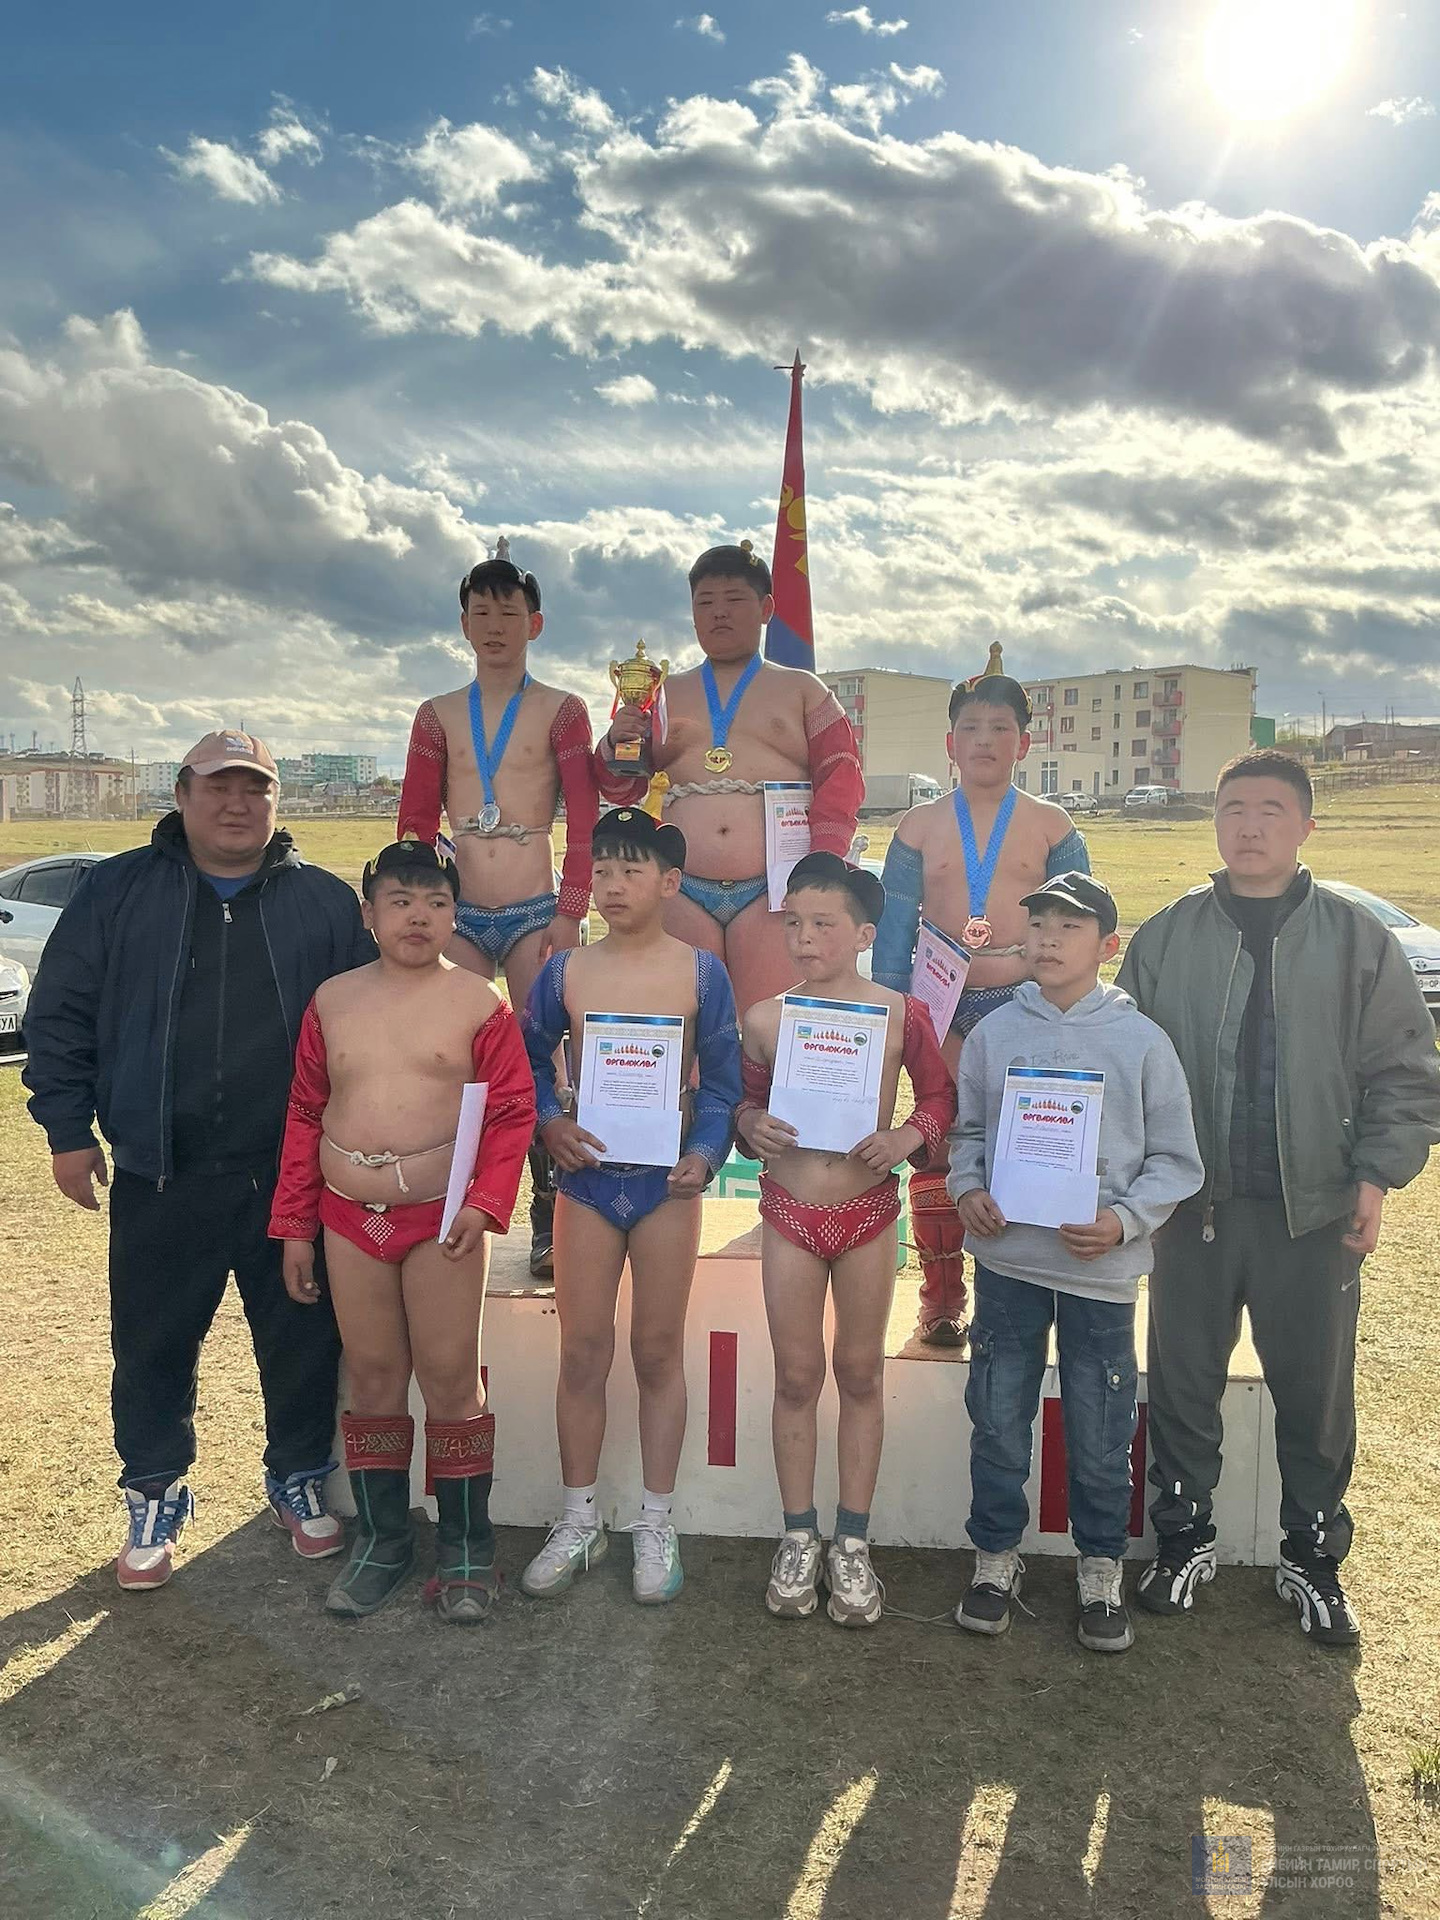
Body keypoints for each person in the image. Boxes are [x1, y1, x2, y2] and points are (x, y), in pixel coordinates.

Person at [22, 731, 376, 1591]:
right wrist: (68, 1130)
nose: (236, 804)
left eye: (255, 788)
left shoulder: (325, 903)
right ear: (182, 796)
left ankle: (298, 1476)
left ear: (277, 802)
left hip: (286, 1178)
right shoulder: (117, 891)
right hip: (161, 1171)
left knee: (300, 1341)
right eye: (219, 787)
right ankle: (152, 1492)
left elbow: (373, 1027)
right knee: (152, 1344)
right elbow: (61, 1011)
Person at [1116, 750, 1440, 1646]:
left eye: (1269, 809)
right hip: (1194, 1210)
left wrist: (1374, 1176)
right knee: (1182, 1381)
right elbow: (1123, 1066)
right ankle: (1183, 1538)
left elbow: (1405, 1071)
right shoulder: (1168, 936)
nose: (1249, 826)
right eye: (1233, 809)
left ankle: (1313, 1555)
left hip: (1316, 1212)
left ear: (1305, 826)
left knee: (1315, 1391)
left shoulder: (1355, 939)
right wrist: (1136, 1188)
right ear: (1214, 821)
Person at [269, 839, 536, 1622]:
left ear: (456, 916)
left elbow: (512, 1111)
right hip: (348, 1217)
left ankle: (466, 1548)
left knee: (451, 1378)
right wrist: (294, 1226)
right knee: (375, 1375)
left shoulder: (480, 1003)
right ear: (369, 914)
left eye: (436, 902)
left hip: (444, 1219)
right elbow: (305, 1112)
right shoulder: (331, 1001)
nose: (419, 916)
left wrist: (485, 1204)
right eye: (400, 901)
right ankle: (383, 1541)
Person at [946, 874, 1204, 1652]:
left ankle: (1100, 1567)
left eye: (1070, 926)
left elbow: (1176, 1160)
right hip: (1009, 1267)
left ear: (1108, 945)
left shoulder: (1142, 1042)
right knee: (998, 1419)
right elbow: (967, 1133)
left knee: (1100, 1429)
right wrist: (968, 1189)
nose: (1049, 939)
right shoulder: (994, 1034)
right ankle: (995, 1558)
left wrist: (1123, 1221)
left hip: (1101, 1277)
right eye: (1038, 924)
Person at [518, 808, 742, 1606]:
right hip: (587, 1183)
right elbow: (526, 1060)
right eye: (602, 871)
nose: (612, 886)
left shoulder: (702, 973)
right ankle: (579, 1518)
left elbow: (723, 1083)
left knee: (655, 1351)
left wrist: (705, 1155)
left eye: (631, 871)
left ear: (670, 882)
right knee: (582, 1351)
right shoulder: (566, 972)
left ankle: (656, 1520)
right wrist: (551, 1123)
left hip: (664, 1187)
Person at [737, 851, 956, 1627]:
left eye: (824, 924)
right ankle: (799, 1535)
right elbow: (743, 1105)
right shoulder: (766, 1019)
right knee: (797, 1375)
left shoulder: (902, 1014)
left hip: (867, 1212)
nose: (804, 938)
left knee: (860, 1371)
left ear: (865, 934)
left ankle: (853, 1542)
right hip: (791, 1211)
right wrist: (750, 1125)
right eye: (794, 922)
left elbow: (939, 1096)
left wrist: (905, 1137)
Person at [398, 544, 609, 1280]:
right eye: (481, 612)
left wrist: (570, 912)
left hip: (535, 911)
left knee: (546, 1058)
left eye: (508, 613)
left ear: (535, 623)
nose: (494, 626)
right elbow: (414, 825)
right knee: (449, 1054)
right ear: (463, 624)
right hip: (457, 915)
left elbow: (584, 819)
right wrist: (415, 912)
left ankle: (553, 1216)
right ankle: (448, 1201)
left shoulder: (562, 710)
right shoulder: (436, 715)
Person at [872, 651, 1090, 1348]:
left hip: (1024, 1002)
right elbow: (892, 936)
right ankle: (940, 1298)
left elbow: (1080, 926)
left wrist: (1065, 1009)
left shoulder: (1053, 825)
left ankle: (1018, 1298)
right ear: (950, 742)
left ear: (1025, 743)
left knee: (1024, 1147)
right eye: (971, 727)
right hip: (940, 1009)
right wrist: (893, 1019)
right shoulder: (917, 826)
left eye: (1001, 728)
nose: (985, 741)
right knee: (937, 1146)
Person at [595, 541, 864, 1018]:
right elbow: (623, 787)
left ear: (766, 609)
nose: (719, 613)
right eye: (705, 602)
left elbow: (840, 776)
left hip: (774, 887)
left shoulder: (803, 690)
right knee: (684, 1025)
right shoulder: (662, 693)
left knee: (767, 1024)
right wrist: (617, 743)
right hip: (681, 885)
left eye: (735, 600)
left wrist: (821, 863)